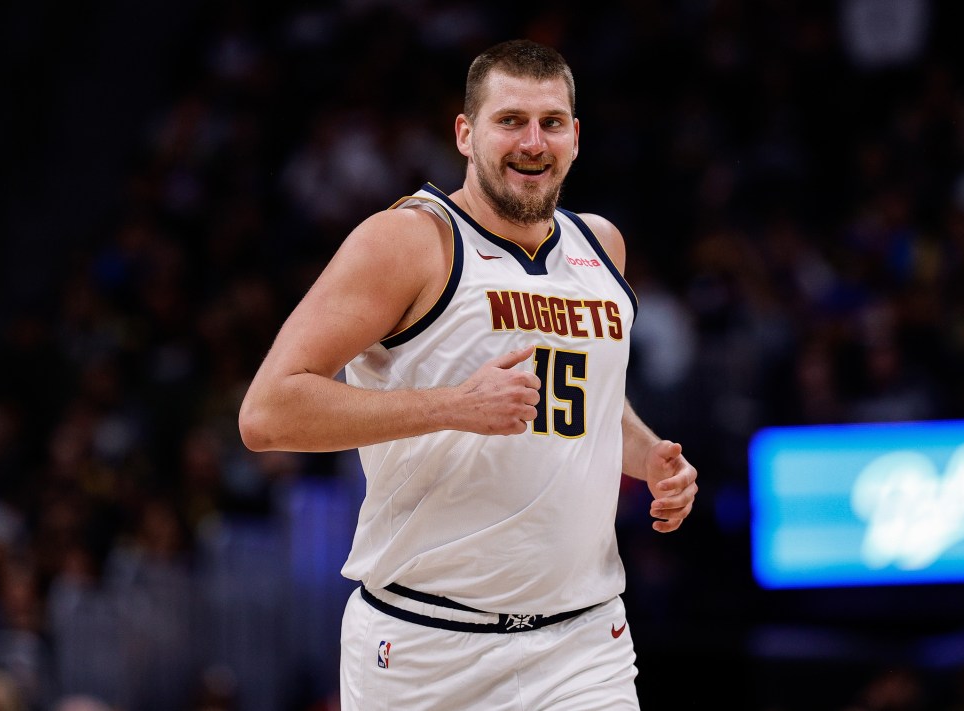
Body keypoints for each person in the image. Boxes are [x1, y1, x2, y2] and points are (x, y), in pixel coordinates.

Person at [238, 38, 698, 710]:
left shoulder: (603, 245)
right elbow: (267, 413)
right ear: (465, 132)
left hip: (581, 645)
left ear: (575, 137)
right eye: (509, 120)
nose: (532, 142)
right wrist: (453, 405)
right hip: (424, 650)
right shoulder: (408, 241)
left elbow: (583, 396)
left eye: (551, 122)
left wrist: (649, 454)